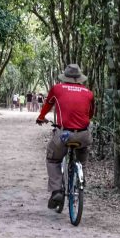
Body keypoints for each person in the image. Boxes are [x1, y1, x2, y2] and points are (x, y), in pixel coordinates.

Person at [36, 64, 94, 211]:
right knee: (82, 155)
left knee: (53, 158)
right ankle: (80, 178)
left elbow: (47, 106)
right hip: (83, 135)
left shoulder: (57, 89)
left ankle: (57, 191)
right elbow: (90, 114)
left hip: (64, 135)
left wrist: (41, 118)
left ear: (65, 77)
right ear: (79, 78)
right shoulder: (89, 93)